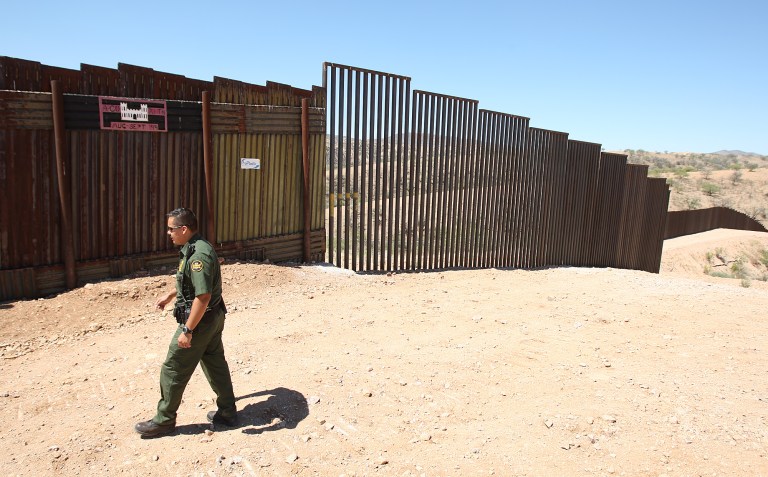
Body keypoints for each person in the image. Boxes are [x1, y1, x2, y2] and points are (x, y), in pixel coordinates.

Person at [135, 207, 237, 438]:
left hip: (200, 322)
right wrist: (171, 295)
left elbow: (203, 296)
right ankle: (228, 412)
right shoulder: (197, 246)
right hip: (213, 318)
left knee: (173, 367)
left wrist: (188, 330)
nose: (168, 233)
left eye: (171, 229)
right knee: (215, 364)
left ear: (183, 229)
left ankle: (164, 420)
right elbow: (193, 282)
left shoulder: (198, 256)